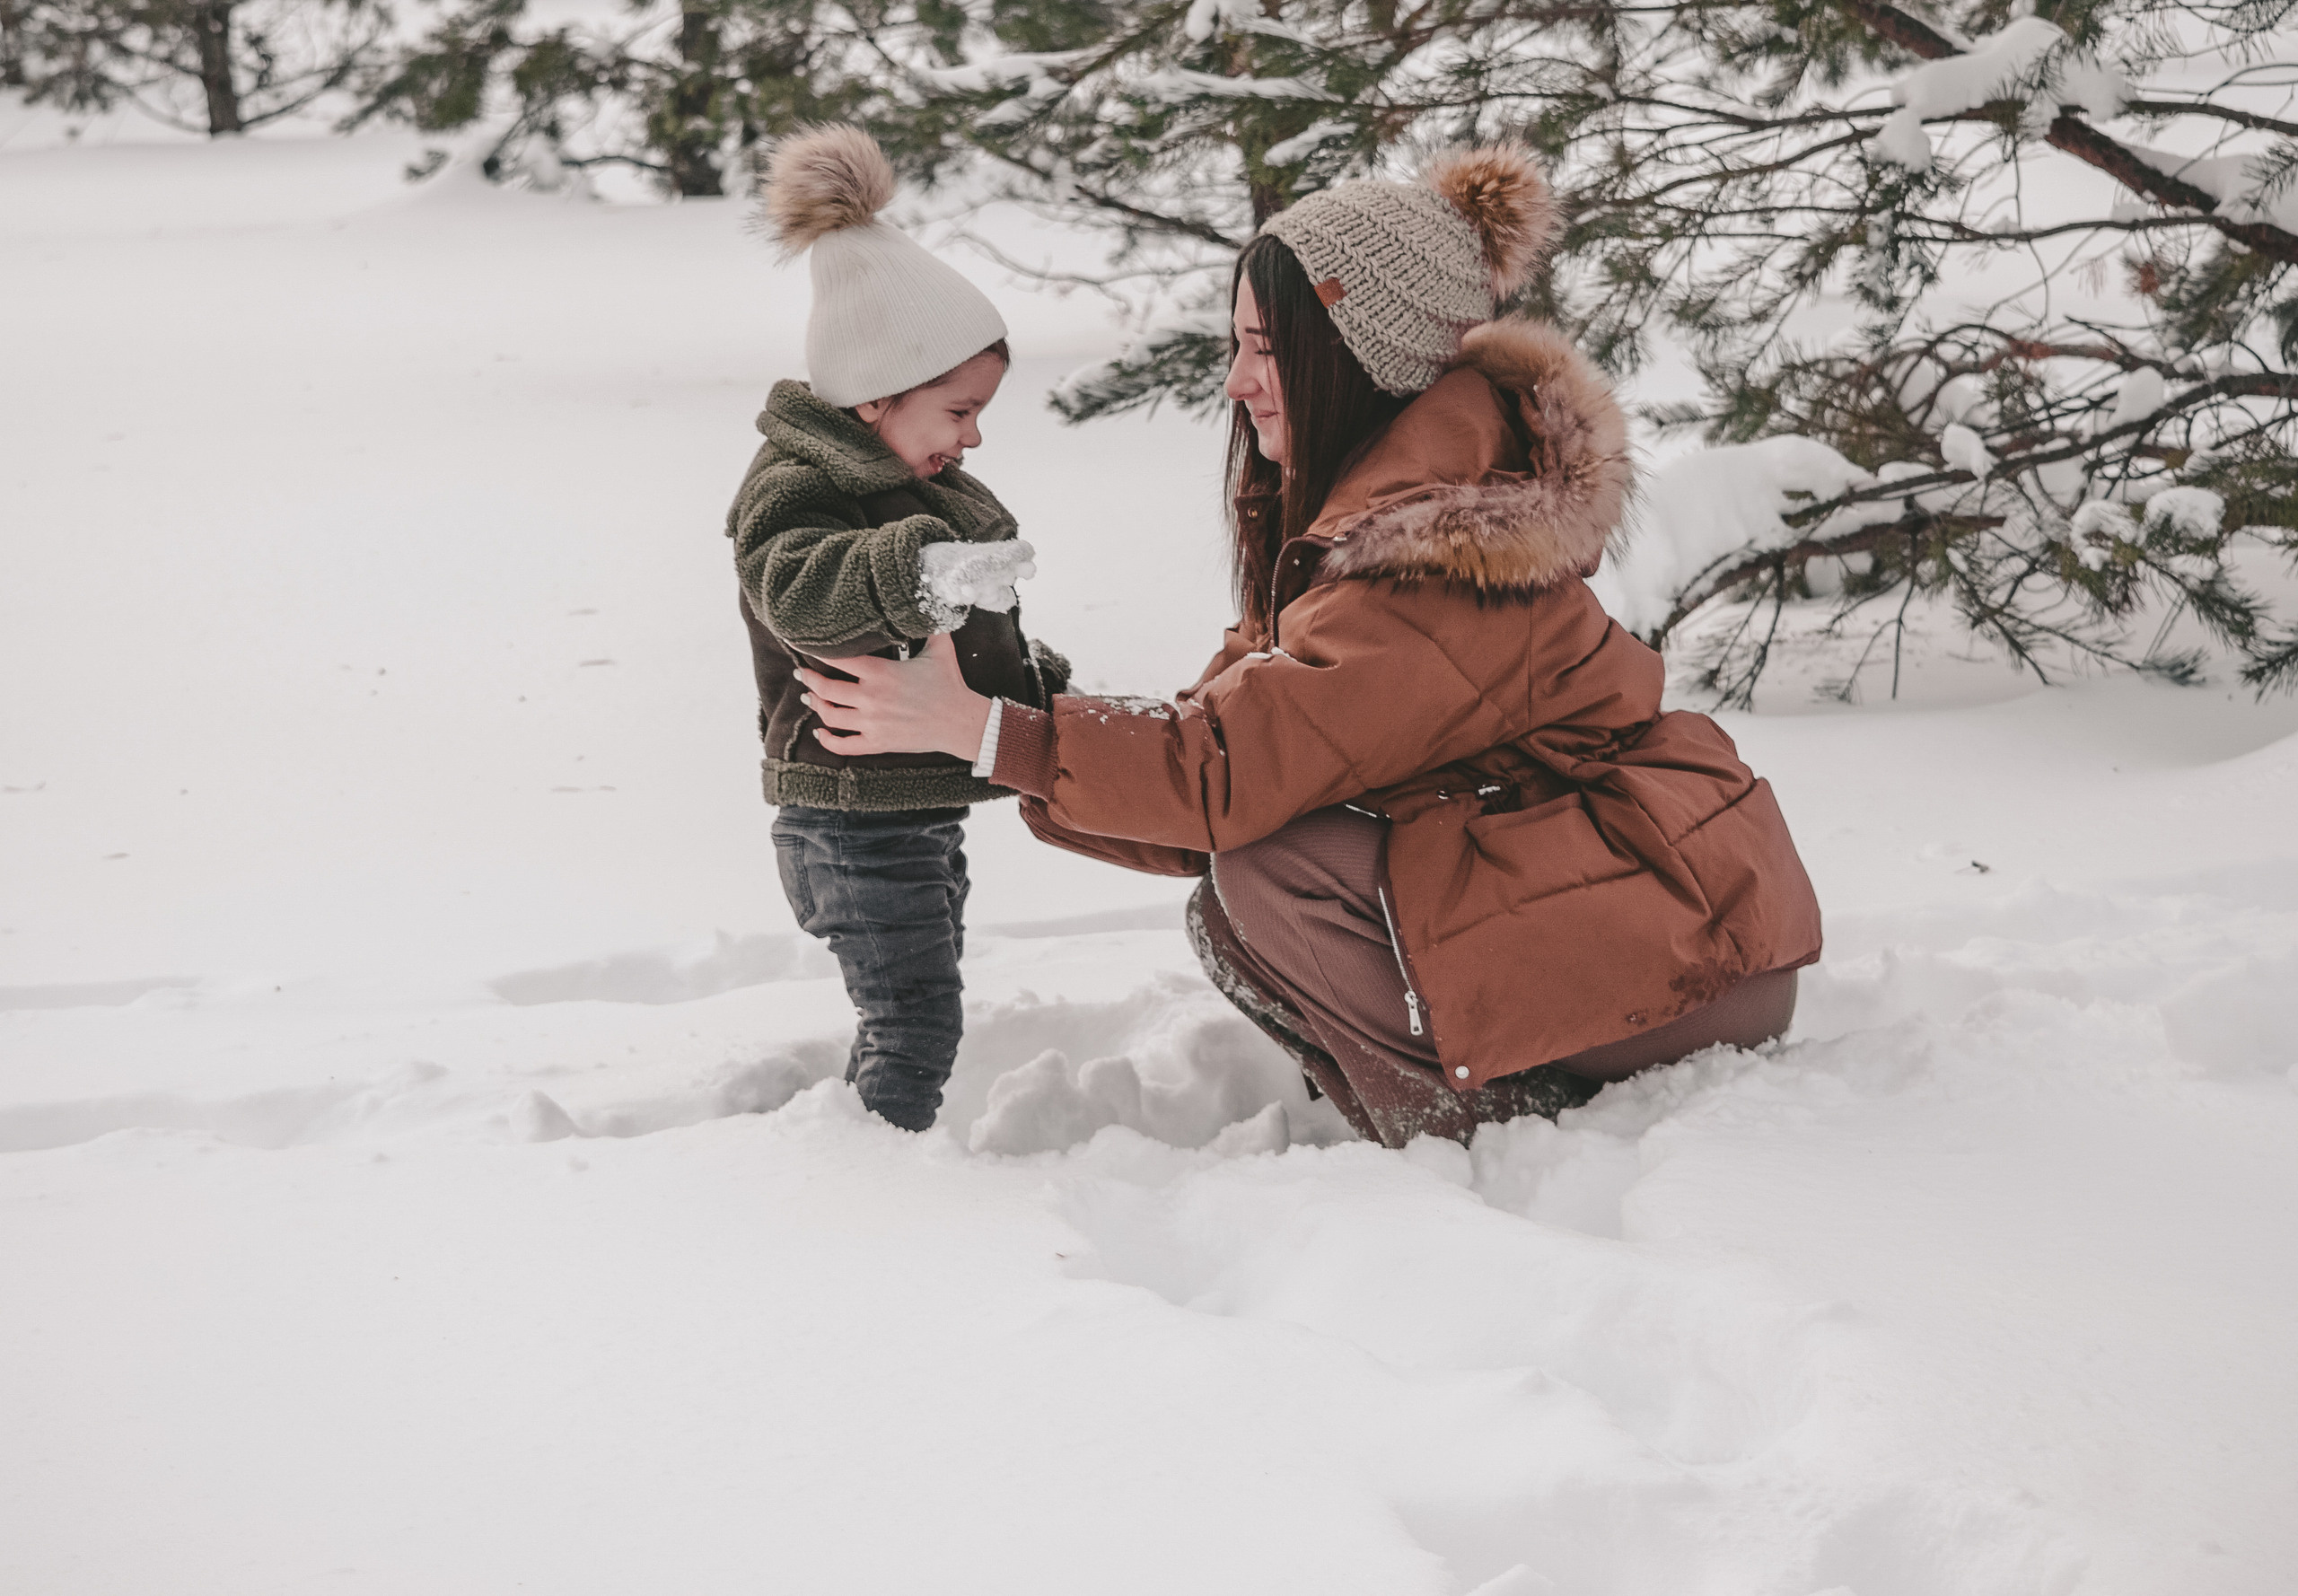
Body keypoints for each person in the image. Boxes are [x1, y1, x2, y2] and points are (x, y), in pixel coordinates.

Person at [793, 145, 1824, 1148]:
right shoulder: (1371, 520)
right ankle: (1471, 1102)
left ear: (1361, 358)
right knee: (1239, 905)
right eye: (1236, 344)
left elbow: (1220, 776)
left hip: (1687, 960)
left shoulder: (1430, 561)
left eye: (1267, 347)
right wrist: (991, 732)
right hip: (1639, 914)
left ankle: (1486, 1143)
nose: (1237, 381)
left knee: (1276, 871)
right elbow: (1210, 754)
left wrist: (988, 733)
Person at [726, 125, 1066, 1132]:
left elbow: (968, 641)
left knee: (914, 1003)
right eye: (958, 410)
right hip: (846, 817)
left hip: (909, 810)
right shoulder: (798, 489)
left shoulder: (928, 487)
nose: (972, 435)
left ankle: (863, 1135)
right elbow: (799, 592)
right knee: (917, 1020)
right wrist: (920, 569)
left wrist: (1036, 683)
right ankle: (873, 1171)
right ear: (878, 391)